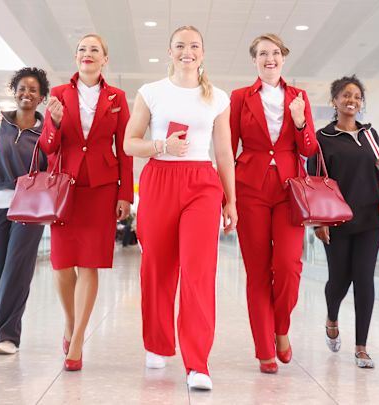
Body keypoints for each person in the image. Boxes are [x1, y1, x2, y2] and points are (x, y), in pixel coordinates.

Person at [123, 25, 237, 391]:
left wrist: (230, 199)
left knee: (198, 271)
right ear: (169, 52)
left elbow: (223, 154)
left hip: (202, 184)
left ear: (203, 53)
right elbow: (129, 144)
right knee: (157, 267)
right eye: (180, 46)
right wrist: (161, 146)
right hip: (160, 179)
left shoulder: (218, 98)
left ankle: (198, 362)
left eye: (194, 46)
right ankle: (157, 344)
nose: (187, 51)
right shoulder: (151, 92)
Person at [39, 34, 133, 371]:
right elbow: (49, 146)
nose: (88, 54)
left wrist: (126, 194)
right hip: (66, 187)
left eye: (95, 50)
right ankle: (69, 321)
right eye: (82, 49)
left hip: (102, 187)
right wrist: (56, 121)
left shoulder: (117, 97)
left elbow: (124, 148)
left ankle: (77, 339)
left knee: (90, 263)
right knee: (63, 265)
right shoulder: (59, 95)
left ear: (105, 59)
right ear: (75, 58)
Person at [229, 33, 319, 374]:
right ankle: (264, 347)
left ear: (284, 58)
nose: (270, 58)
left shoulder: (299, 97)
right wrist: (228, 200)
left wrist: (299, 121)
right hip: (249, 188)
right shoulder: (239, 97)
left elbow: (308, 149)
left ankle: (281, 328)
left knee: (287, 266)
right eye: (263, 53)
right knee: (256, 272)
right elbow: (228, 147)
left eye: (276, 53)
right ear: (254, 60)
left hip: (288, 190)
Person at [307, 75, 379, 369]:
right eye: (345, 95)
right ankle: (332, 316)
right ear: (334, 101)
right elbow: (316, 180)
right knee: (339, 280)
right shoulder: (322, 138)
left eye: (357, 96)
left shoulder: (370, 135)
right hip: (337, 220)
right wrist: (320, 222)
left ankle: (361, 347)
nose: (351, 100)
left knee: (364, 278)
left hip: (371, 219)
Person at [0, 67, 50, 354]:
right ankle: (8, 322)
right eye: (22, 88)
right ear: (14, 92)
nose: (26, 94)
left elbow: (52, 169)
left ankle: (6, 337)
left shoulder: (45, 132)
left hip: (30, 207)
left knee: (17, 270)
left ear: (41, 98)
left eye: (33, 90)